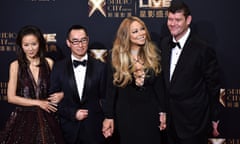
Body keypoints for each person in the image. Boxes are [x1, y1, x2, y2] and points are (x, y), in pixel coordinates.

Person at [160, 1, 221, 144]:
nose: (173, 24)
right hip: (169, 123)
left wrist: (215, 117)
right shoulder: (163, 44)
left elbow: (213, 87)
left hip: (194, 123)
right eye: (170, 19)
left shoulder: (203, 48)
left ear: (188, 20)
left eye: (178, 20)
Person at [102, 16, 166, 144]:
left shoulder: (154, 54)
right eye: (135, 31)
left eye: (142, 29)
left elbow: (159, 87)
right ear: (126, 36)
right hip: (126, 115)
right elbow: (110, 91)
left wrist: (163, 110)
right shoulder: (115, 57)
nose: (141, 33)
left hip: (150, 114)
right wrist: (109, 116)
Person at [0, 25, 64, 144]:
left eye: (34, 44)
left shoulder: (49, 63)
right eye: (26, 45)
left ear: (40, 43)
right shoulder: (15, 65)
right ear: (21, 46)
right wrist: (39, 102)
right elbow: (11, 97)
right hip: (23, 118)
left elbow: (60, 88)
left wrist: (61, 94)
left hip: (48, 117)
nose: (30, 49)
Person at [49, 25, 107, 144]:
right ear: (68, 43)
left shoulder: (100, 67)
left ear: (88, 40)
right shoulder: (58, 67)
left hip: (94, 129)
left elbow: (106, 98)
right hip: (68, 130)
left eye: (83, 40)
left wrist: (108, 119)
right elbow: (52, 101)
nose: (80, 45)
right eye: (75, 41)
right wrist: (72, 114)